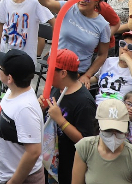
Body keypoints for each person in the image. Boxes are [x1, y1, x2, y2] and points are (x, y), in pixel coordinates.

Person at [0, 48, 44, 184]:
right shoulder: (13, 90)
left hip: (20, 179)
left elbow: (33, 152)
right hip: (3, 174)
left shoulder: (25, 109)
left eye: (0, 68)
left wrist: (13, 182)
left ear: (10, 78)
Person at [45, 48, 97, 184]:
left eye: (51, 69)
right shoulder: (57, 88)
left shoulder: (84, 102)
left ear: (63, 73)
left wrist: (61, 120)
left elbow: (86, 141)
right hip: (51, 159)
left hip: (70, 167)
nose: (47, 73)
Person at [72, 98, 132, 184]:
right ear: (99, 128)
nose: (114, 136)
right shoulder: (85, 147)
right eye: (108, 130)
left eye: (119, 131)